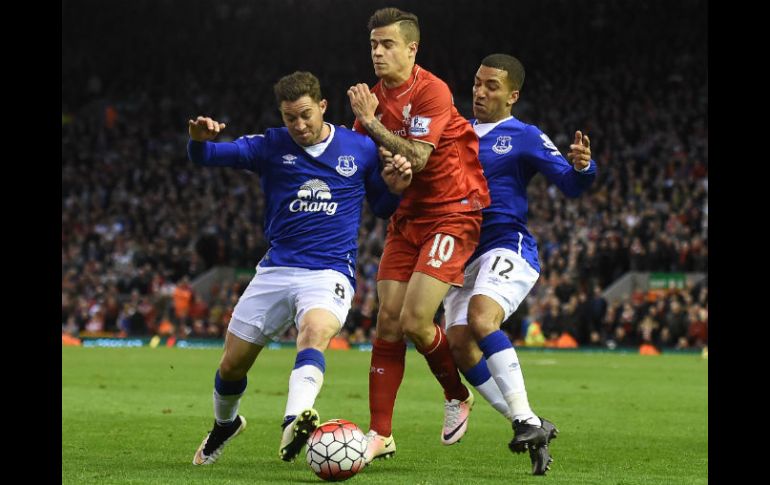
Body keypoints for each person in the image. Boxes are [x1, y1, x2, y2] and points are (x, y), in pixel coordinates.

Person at [187, 71, 413, 466]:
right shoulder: (270, 145)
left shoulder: (358, 148)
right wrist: (198, 141)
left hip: (329, 272)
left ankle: (295, 420)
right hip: (276, 270)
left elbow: (380, 206)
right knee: (232, 364)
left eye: (306, 115)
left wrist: (395, 189)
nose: (299, 125)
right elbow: (207, 157)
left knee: (314, 331)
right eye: (290, 117)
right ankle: (225, 424)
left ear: (322, 106)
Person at [347, 7, 491, 462]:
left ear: (412, 49)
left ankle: (456, 395)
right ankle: (381, 434)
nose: (378, 52)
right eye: (373, 44)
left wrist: (372, 125)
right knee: (387, 320)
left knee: (414, 320)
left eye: (387, 44)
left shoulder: (432, 90)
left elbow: (420, 156)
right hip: (408, 219)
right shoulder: (371, 99)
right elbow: (378, 192)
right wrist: (390, 184)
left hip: (453, 212)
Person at [443, 53, 596, 475]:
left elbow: (569, 183)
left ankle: (527, 419)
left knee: (481, 319)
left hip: (506, 245)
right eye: (477, 82)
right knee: (457, 345)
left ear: (512, 95)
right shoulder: (455, 131)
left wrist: (584, 167)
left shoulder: (523, 135)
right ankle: (527, 423)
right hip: (461, 254)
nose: (479, 91)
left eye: (491, 85)